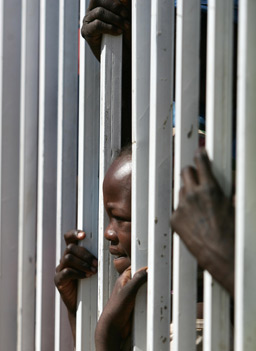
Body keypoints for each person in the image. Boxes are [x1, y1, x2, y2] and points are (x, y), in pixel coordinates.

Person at [55, 147, 147, 349]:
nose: (107, 233)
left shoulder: (192, 320)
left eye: (121, 218)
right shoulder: (124, 305)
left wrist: (108, 334)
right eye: (108, 218)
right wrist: (78, 309)